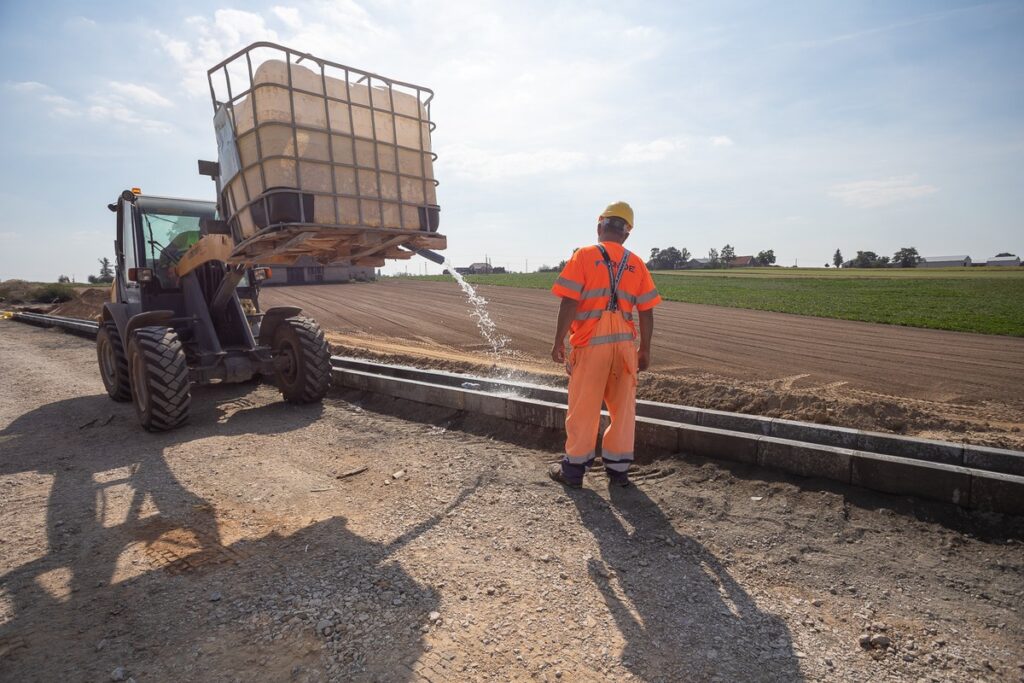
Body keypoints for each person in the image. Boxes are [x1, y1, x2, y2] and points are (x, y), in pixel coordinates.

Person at [548, 201, 661, 489]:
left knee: (583, 408)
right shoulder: (637, 263)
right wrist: (645, 349)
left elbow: (569, 302)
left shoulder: (584, 256)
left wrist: (559, 340)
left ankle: (573, 471)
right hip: (624, 346)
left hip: (591, 344)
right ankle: (618, 471)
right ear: (626, 233)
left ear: (600, 226)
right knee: (623, 410)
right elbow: (647, 311)